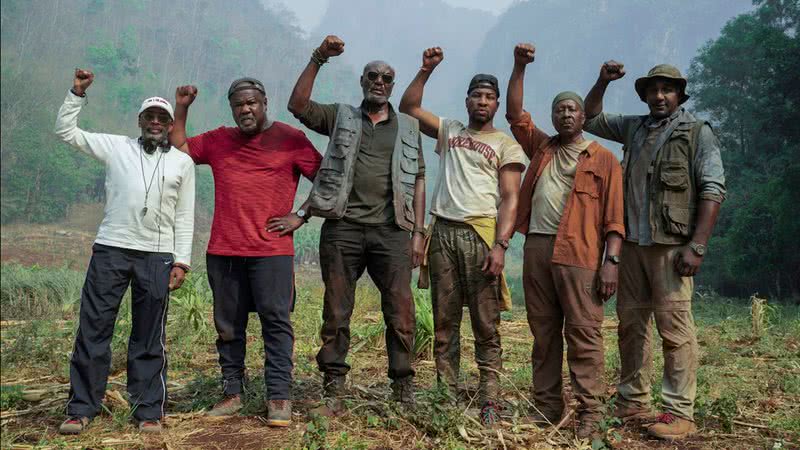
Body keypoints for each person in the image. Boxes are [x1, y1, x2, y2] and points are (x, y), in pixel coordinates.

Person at [583, 61, 726, 440]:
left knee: (674, 329)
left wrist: (696, 246)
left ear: (679, 94)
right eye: (652, 90)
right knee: (632, 327)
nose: (659, 96)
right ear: (644, 94)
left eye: (667, 89)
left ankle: (679, 411)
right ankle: (633, 400)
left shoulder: (697, 132)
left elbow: (712, 189)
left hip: (671, 248)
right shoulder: (634, 127)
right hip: (632, 245)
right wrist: (602, 81)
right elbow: (590, 118)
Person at [168, 77, 321, 427]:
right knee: (228, 327)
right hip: (224, 250)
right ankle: (233, 393)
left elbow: (327, 176)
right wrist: (182, 107)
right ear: (232, 108)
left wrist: (302, 214)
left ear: (265, 102)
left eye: (251, 103)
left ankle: (279, 397)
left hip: (272, 252)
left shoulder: (290, 139)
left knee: (276, 324)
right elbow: (180, 147)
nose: (245, 110)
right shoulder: (220, 139)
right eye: (239, 105)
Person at [287, 35, 426, 414]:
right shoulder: (341, 116)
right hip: (343, 228)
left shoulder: (409, 129)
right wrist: (319, 58)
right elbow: (297, 105)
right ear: (363, 82)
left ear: (392, 86)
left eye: (386, 78)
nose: (379, 82)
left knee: (400, 309)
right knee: (336, 308)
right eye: (372, 76)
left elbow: (418, 181)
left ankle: (403, 385)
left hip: (392, 230)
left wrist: (418, 234)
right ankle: (333, 387)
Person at [55, 69, 195, 434]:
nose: (155, 122)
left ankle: (148, 411)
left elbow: (185, 215)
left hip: (157, 255)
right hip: (111, 250)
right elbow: (66, 132)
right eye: (149, 116)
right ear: (140, 121)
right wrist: (76, 93)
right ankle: (81, 408)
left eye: (161, 118)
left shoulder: (182, 162)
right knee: (94, 329)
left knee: (149, 335)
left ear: (168, 125)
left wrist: (182, 260)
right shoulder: (117, 147)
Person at [399, 46, 525, 426]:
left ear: (497, 103)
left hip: (481, 234)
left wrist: (501, 245)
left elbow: (510, 198)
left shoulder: (506, 144)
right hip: (444, 234)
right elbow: (408, 107)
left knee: (486, 324)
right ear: (467, 100)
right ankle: (446, 396)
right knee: (445, 322)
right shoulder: (450, 129)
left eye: (489, 97)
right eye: (476, 95)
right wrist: (425, 70)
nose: (482, 102)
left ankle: (490, 400)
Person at [505, 44, 625, 439]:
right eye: (560, 109)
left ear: (583, 116)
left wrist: (611, 263)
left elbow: (614, 218)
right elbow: (514, 114)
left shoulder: (603, 158)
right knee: (543, 331)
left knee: (584, 332)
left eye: (573, 109)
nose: (566, 114)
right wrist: (519, 67)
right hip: (537, 248)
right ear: (553, 116)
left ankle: (590, 412)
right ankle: (547, 406)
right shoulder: (542, 147)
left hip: (581, 253)